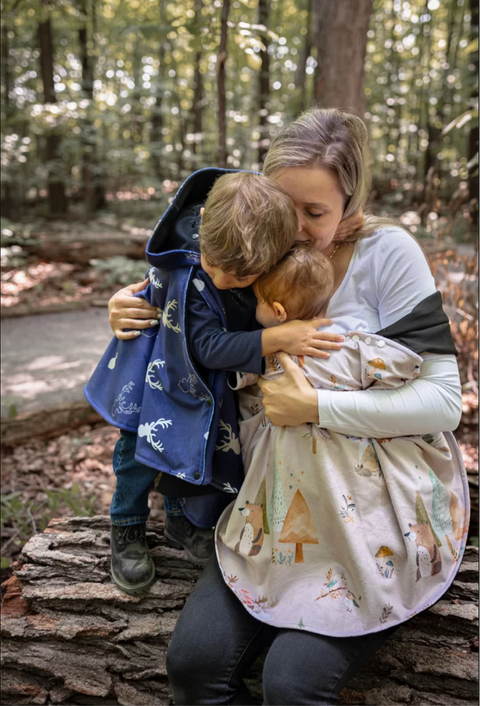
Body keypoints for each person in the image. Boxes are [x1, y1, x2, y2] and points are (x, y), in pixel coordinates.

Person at [106, 109, 465, 705]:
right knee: (194, 668)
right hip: (272, 508)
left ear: (350, 202)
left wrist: (317, 405)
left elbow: (443, 400)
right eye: (285, 204)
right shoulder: (252, 249)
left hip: (374, 514)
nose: (296, 229)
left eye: (316, 213)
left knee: (291, 685)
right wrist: (131, 312)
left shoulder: (387, 253)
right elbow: (185, 305)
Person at [85, 171, 342, 596]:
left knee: (188, 451)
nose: (223, 280)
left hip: (194, 387)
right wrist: (274, 338)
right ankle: (127, 526)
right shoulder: (191, 272)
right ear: (204, 223)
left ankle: (182, 522)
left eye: (240, 278)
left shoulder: (255, 238)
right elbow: (205, 346)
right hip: (154, 385)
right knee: (136, 458)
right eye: (215, 265)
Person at [218, 241, 467, 639]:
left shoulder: (271, 350)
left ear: (277, 312)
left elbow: (232, 376)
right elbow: (398, 366)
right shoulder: (349, 344)